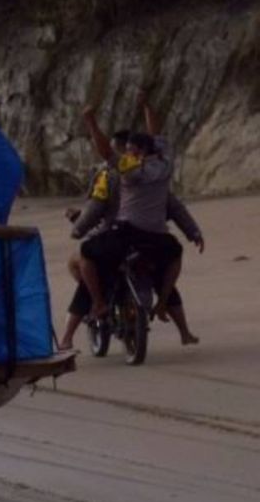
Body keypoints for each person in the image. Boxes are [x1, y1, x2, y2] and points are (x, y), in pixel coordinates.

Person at [57, 130, 205, 349]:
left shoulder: (112, 175)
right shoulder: (157, 175)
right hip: (151, 240)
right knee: (160, 277)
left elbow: (94, 210)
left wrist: (77, 230)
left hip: (115, 237)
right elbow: (174, 207)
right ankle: (183, 330)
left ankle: (70, 334)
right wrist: (193, 232)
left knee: (88, 274)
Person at [79, 94, 189, 321]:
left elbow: (106, 152)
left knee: (86, 253)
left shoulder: (130, 172)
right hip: (158, 235)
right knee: (175, 254)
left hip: (128, 233)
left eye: (130, 150)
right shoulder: (164, 162)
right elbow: (155, 134)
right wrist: (148, 106)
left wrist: (90, 122)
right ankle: (163, 302)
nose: (128, 152)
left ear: (137, 153)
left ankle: (99, 304)